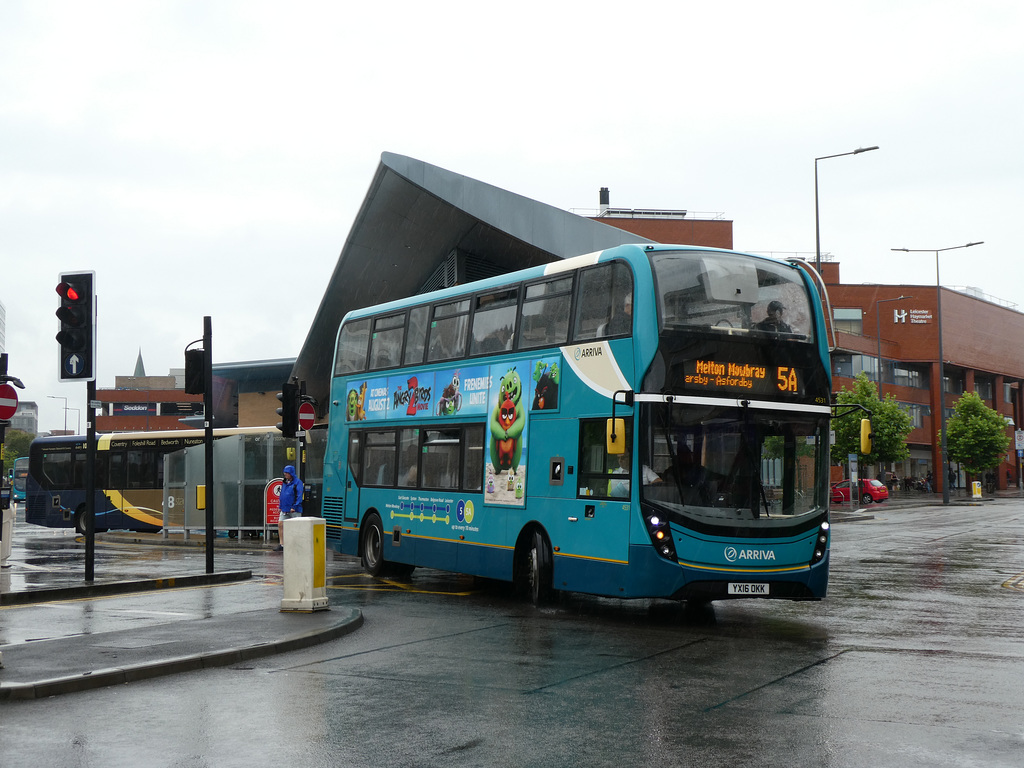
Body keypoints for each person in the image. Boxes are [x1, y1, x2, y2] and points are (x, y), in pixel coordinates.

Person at [275, 464, 304, 551]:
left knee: (296, 526)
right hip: (285, 508)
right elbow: (282, 494)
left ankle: (297, 544)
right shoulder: (284, 482)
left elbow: (299, 495)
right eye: (285, 473)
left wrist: (294, 506)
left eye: (287, 473)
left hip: (294, 509)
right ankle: (282, 544)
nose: (285, 475)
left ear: (291, 473)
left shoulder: (298, 482)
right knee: (280, 524)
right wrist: (280, 506)